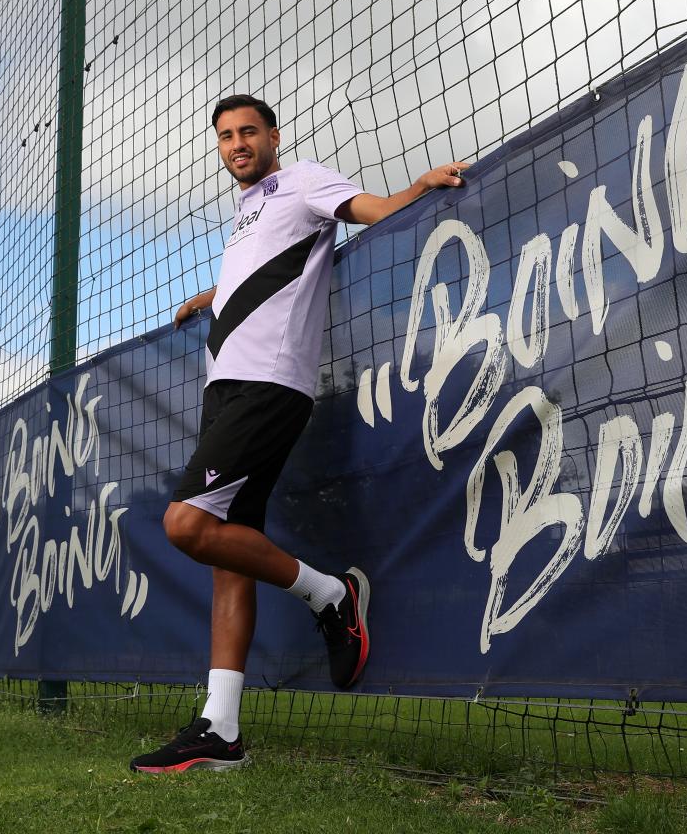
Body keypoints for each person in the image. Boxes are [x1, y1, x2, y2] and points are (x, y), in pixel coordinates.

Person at [129, 94, 468, 773]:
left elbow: (370, 211)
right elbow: (262, 276)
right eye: (224, 136)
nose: (236, 144)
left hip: (269, 386)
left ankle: (331, 595)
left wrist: (419, 186)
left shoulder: (304, 179)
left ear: (273, 136)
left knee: (185, 525)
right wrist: (211, 298)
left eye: (247, 132)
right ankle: (220, 730)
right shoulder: (244, 212)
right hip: (224, 388)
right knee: (228, 552)